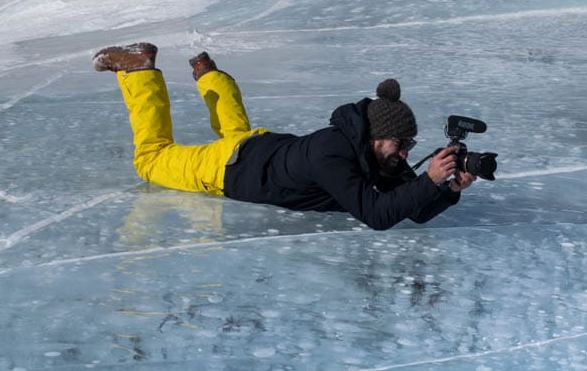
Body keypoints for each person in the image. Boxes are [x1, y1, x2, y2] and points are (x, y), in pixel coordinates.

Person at [93, 42, 476, 230]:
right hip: (227, 168)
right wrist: (427, 179)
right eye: (400, 144)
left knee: (235, 133)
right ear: (377, 135)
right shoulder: (333, 155)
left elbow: (413, 208)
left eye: (409, 145)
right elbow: (377, 214)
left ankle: (209, 74)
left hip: (258, 149)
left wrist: (446, 189)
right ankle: (139, 69)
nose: (405, 154)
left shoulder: (366, 149)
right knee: (152, 159)